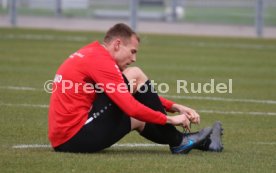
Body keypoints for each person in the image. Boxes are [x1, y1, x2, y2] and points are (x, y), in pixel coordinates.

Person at [48, 23, 223, 154]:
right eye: (132, 51)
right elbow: (130, 105)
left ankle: (204, 144)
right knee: (135, 74)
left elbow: (131, 94)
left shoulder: (93, 53)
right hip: (74, 138)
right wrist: (171, 119)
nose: (134, 58)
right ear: (117, 44)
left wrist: (174, 106)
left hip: (67, 138)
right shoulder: (100, 61)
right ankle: (181, 141)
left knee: (138, 117)